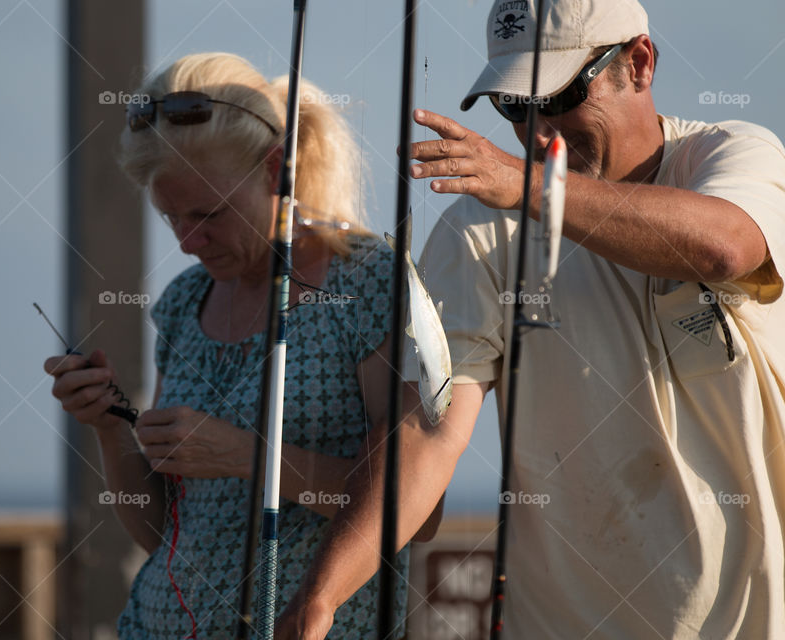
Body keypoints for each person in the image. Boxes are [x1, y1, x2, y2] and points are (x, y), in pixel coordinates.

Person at [276, 0, 785, 638]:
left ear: (640, 63)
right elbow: (427, 433)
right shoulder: (476, 228)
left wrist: (526, 188)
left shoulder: (732, 158)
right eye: (515, 106)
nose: (539, 130)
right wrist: (316, 600)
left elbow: (726, 247)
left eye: (563, 93)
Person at [44, 52, 432, 638]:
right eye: (170, 217)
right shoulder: (184, 301)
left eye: (209, 214)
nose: (187, 242)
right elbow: (165, 531)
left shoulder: (366, 281)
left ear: (276, 170)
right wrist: (108, 427)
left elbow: (415, 511)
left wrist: (252, 458)